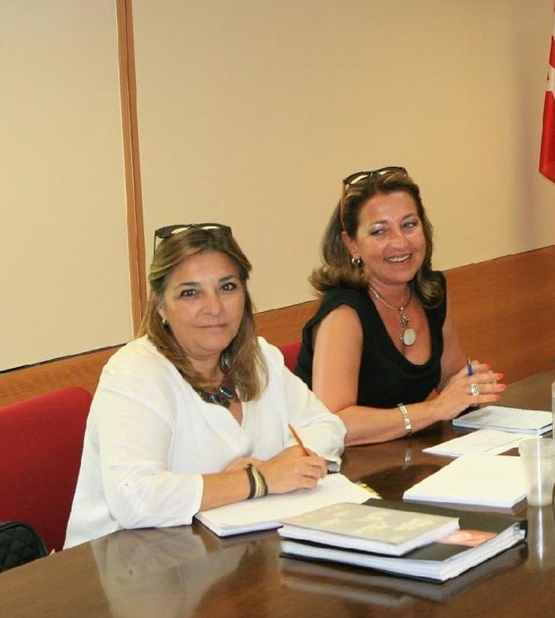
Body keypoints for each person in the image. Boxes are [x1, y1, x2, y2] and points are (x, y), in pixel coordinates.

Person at [66, 224, 345, 548]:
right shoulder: (134, 373)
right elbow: (135, 498)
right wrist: (258, 480)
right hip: (127, 562)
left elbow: (327, 426)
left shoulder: (259, 357)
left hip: (231, 552)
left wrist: (281, 465)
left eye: (227, 287)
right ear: (160, 305)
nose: (214, 307)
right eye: (190, 293)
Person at [296, 167, 503, 445]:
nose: (400, 242)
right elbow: (334, 422)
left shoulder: (431, 293)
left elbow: (450, 379)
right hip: (336, 465)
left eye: (409, 225)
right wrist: (434, 409)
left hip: (404, 456)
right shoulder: (344, 313)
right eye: (379, 231)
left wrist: (472, 385)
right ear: (352, 245)